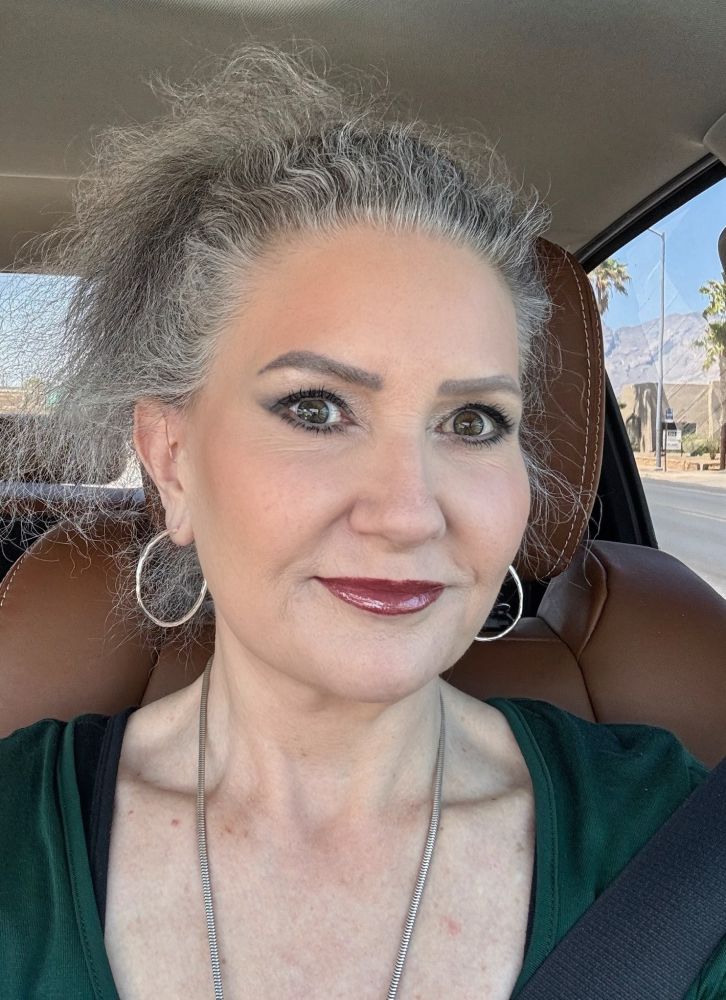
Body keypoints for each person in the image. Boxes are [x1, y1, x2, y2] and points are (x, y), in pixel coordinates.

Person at [0, 42, 724, 1000]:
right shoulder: (17, 842)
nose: (407, 514)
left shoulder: (675, 849)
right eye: (315, 408)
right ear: (172, 460)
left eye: (474, 422)